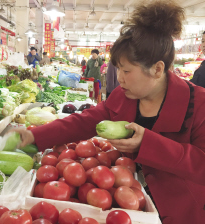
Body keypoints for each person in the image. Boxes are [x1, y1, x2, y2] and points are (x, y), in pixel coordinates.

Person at [11, 1, 205, 223]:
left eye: (126, 70)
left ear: (157, 69)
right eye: (118, 69)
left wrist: (148, 144)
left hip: (183, 211)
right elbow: (84, 121)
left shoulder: (198, 104)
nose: (119, 78)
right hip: (132, 208)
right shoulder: (124, 96)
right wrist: (36, 135)